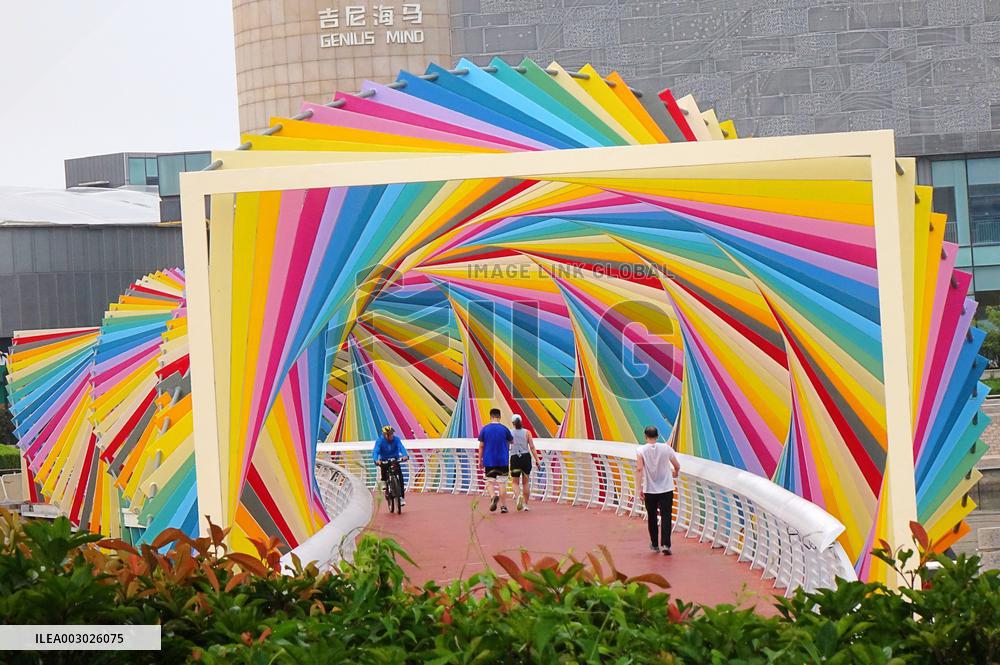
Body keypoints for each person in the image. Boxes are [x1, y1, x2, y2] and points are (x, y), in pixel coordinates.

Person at [635, 425, 680, 555]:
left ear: (645, 436)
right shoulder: (666, 448)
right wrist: (676, 472)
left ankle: (654, 544)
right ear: (658, 436)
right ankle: (666, 544)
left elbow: (639, 469)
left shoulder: (641, 450)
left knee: (652, 517)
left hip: (650, 489)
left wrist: (639, 488)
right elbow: (676, 464)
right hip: (666, 488)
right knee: (666, 516)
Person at [477, 407, 513, 513]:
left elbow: (481, 446)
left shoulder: (485, 429)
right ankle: (503, 506)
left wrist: (480, 460)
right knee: (502, 483)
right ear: (500, 417)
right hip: (503, 460)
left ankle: (493, 497)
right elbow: (511, 441)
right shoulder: (504, 429)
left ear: (490, 417)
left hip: (489, 460)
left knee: (489, 482)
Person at [509, 414, 540, 512]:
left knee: (515, 482)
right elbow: (532, 447)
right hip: (526, 457)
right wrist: (537, 460)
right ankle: (526, 504)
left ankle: (518, 498)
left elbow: (506, 446)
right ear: (521, 421)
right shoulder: (527, 432)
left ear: (512, 423)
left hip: (515, 457)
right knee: (526, 482)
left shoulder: (509, 433)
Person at [372, 425, 409, 506]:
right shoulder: (380, 441)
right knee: (383, 466)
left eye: (392, 433)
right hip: (384, 459)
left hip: (395, 459)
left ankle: (401, 497)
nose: (392, 435)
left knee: (400, 478)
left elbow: (401, 447)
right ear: (385, 435)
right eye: (390, 434)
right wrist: (376, 460)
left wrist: (405, 455)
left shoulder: (396, 439)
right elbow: (376, 452)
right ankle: (384, 481)